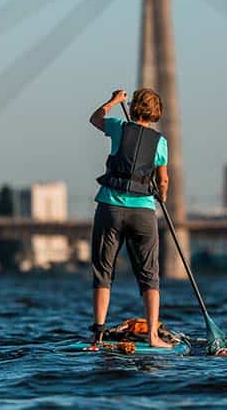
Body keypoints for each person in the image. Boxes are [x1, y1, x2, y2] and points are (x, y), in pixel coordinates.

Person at [88, 88, 173, 348]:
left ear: (134, 107)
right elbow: (164, 179)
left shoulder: (117, 127)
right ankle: (153, 336)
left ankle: (98, 335)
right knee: (150, 275)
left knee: (103, 271)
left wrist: (115, 101)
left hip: (110, 207)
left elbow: (95, 118)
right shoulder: (160, 142)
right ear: (155, 114)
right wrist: (163, 196)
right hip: (143, 213)